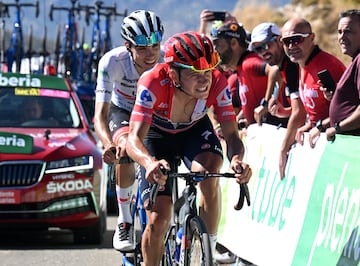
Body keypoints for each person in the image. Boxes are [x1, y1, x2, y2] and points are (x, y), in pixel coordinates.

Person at [126, 31, 252, 265]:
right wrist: (149, 163)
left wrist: (236, 159)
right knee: (159, 218)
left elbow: (232, 134)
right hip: (155, 136)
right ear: (173, 74)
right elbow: (134, 139)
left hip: (194, 131)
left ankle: (209, 251)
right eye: (195, 74)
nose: (205, 79)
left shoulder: (218, 82)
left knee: (209, 173)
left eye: (207, 71)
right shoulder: (152, 82)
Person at [93, 10, 164, 252]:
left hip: (154, 115)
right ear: (128, 46)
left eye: (155, 45)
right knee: (125, 149)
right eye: (142, 48)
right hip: (123, 111)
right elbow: (100, 115)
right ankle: (124, 220)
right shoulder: (111, 62)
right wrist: (107, 144)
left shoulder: (166, 60)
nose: (151, 53)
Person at [248, 22, 305, 179]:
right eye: (258, 49)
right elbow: (302, 108)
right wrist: (285, 112)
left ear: (280, 40)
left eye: (267, 45)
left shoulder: (292, 66)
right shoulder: (283, 67)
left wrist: (283, 150)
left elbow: (300, 113)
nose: (263, 52)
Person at [210, 21, 288, 127]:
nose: (215, 51)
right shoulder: (240, 69)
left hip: (278, 130)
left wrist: (265, 103)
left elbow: (275, 70)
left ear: (234, 43)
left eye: (218, 45)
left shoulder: (248, 63)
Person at [308, 9, 360, 146]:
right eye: (339, 32)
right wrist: (337, 93)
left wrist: (338, 128)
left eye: (348, 31)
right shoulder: (356, 59)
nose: (342, 37)